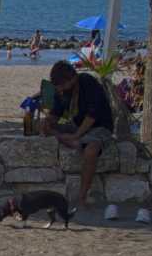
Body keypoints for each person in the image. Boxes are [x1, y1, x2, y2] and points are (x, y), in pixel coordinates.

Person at [42, 60, 118, 220]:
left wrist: (76, 136)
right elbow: (56, 112)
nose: (60, 90)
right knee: (43, 128)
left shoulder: (87, 82)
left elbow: (92, 115)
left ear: (71, 79)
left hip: (98, 127)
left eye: (62, 86)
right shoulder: (61, 90)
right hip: (77, 125)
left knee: (90, 150)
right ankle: (70, 140)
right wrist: (49, 121)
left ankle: (82, 197)